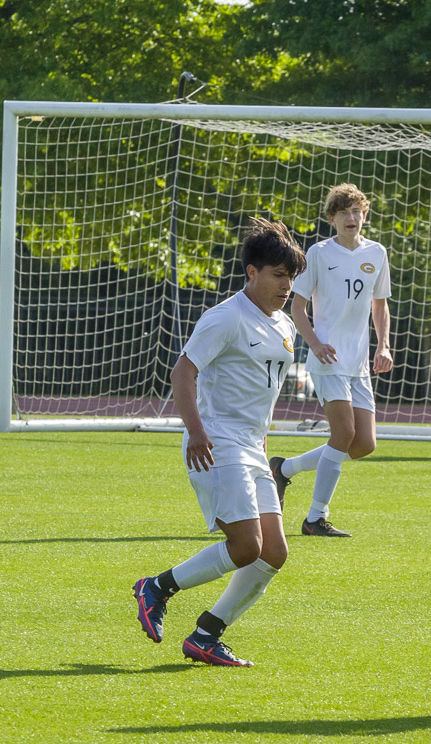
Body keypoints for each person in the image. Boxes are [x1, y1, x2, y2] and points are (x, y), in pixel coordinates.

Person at [133, 218, 306, 667]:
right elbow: (182, 372)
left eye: (290, 276)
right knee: (246, 546)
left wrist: (264, 440)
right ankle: (157, 587)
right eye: (277, 274)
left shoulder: (285, 324)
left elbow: (260, 389)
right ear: (252, 272)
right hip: (216, 442)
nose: (286, 284)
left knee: (274, 552)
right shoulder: (226, 316)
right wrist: (195, 430)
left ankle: (207, 635)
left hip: (252, 446)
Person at [268, 184, 393, 538]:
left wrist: (383, 346)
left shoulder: (377, 252)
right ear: (332, 219)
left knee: (363, 444)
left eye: (357, 211)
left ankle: (285, 468)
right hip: (327, 360)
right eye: (344, 213)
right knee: (344, 433)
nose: (352, 218)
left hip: (358, 363)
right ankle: (315, 519)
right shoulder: (319, 253)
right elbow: (297, 306)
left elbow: (380, 305)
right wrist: (316, 344)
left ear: (364, 215)